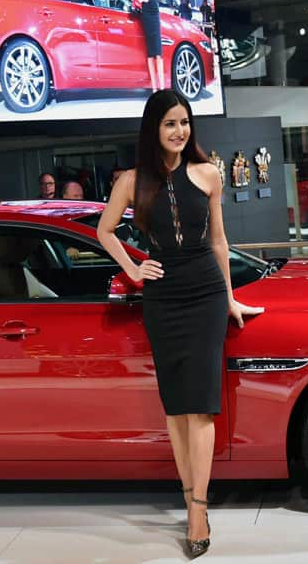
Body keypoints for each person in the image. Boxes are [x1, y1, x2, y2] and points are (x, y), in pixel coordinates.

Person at [97, 90, 263, 558]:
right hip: (163, 296)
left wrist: (230, 298)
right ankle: (188, 495)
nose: (179, 131)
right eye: (170, 123)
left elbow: (219, 242)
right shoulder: (131, 182)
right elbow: (104, 230)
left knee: (202, 405)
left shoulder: (208, 173)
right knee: (175, 406)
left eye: (184, 122)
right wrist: (133, 269)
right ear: (154, 129)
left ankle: (199, 509)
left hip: (206, 292)